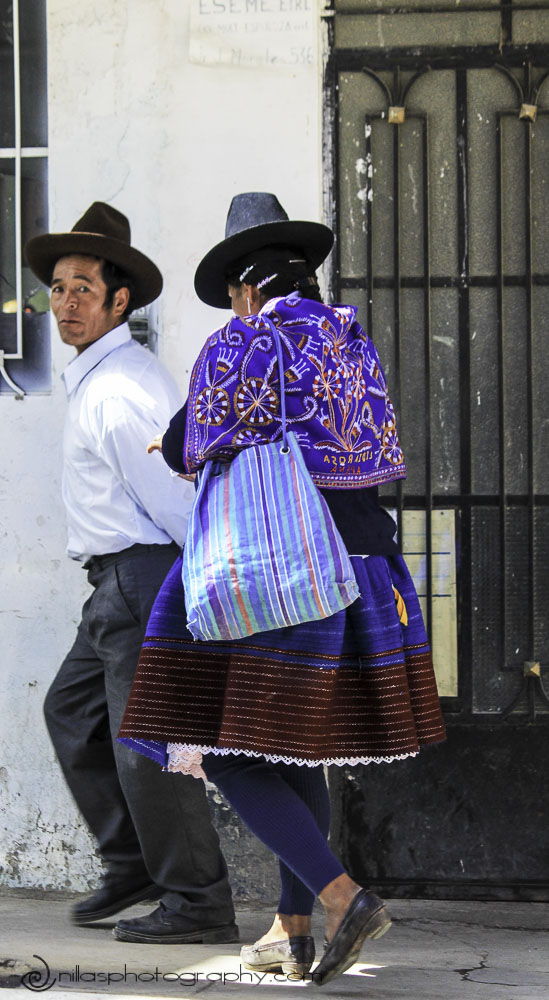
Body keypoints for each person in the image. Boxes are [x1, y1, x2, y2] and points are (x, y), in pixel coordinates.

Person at [117, 192, 446, 984]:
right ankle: (289, 934)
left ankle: (342, 897)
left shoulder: (243, 340)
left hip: (279, 566)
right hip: (362, 566)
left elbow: (193, 442)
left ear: (245, 286)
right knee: (295, 750)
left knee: (220, 746)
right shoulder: (350, 340)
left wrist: (173, 445)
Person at [24, 203, 237, 944]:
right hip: (115, 584)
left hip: (143, 576)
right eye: (58, 288)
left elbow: (176, 499)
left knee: (145, 744)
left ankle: (198, 900)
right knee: (73, 714)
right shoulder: (106, 376)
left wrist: (198, 585)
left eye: (83, 289)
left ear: (120, 302)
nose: (66, 303)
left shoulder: (117, 390)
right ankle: (132, 862)